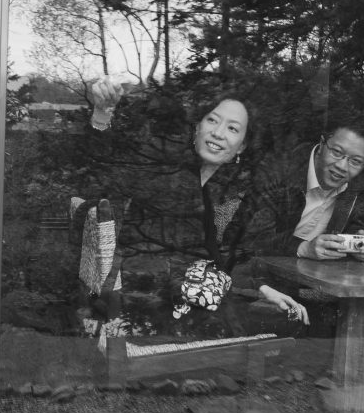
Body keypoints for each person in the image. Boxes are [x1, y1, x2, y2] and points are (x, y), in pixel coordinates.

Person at [88, 80, 309, 323]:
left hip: (194, 299)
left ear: (241, 146)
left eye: (233, 129)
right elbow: (105, 170)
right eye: (212, 120)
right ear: (198, 126)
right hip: (136, 293)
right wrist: (102, 113)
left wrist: (262, 289)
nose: (218, 133)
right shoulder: (163, 169)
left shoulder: (235, 193)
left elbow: (229, 254)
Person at [251, 123, 364, 263]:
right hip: (263, 273)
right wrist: (303, 248)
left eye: (355, 161)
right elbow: (253, 241)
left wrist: (362, 243)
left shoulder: (356, 185)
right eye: (336, 152)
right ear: (322, 144)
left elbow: (355, 224)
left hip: (314, 276)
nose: (342, 166)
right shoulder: (277, 173)